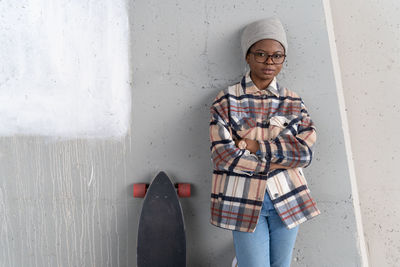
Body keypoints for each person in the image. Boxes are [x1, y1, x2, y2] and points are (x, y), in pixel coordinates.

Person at [208, 17, 321, 267]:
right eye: (261, 54)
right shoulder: (226, 100)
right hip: (242, 201)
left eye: (277, 56)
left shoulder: (292, 101)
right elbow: (223, 157)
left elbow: (303, 154)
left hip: (289, 197)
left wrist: (255, 147)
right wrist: (281, 160)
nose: (270, 62)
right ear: (247, 56)